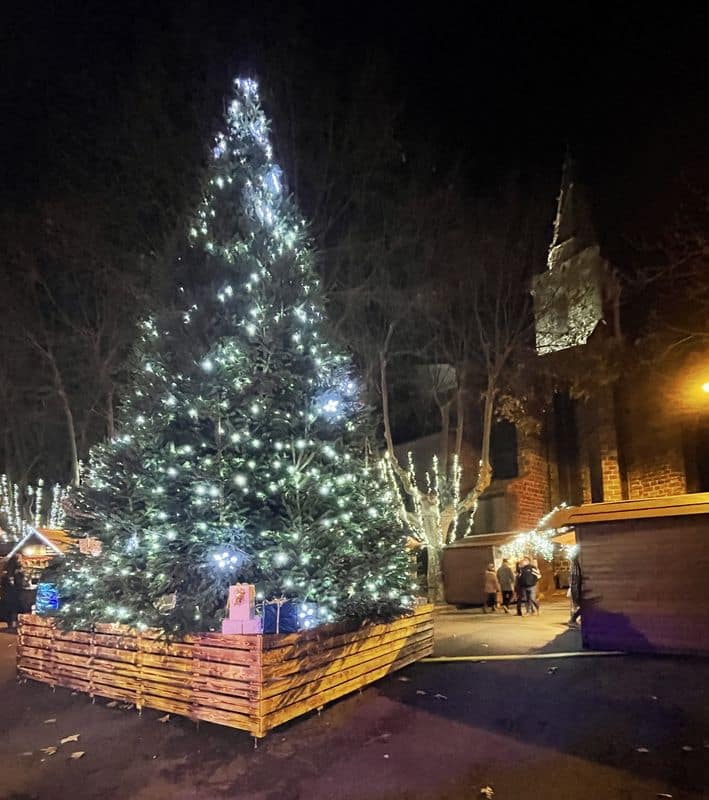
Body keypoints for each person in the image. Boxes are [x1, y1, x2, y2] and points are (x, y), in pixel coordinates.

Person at [568, 554, 582, 625]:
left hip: (578, 587)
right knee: (584, 605)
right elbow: (575, 579)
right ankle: (573, 619)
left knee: (584, 605)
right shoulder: (576, 565)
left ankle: (573, 619)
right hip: (578, 587)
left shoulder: (575, 564)